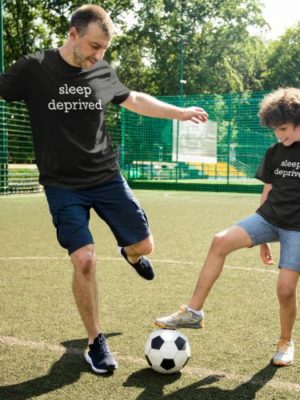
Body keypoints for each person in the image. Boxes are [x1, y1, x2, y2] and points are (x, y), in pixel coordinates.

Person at [0, 4, 208, 374]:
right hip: (63, 185)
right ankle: (96, 342)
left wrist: (178, 112)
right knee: (84, 259)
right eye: (95, 46)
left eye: (104, 49)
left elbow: (135, 100)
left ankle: (130, 253)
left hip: (107, 177)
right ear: (73, 34)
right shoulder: (34, 68)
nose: (98, 55)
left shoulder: (101, 70)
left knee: (145, 246)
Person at [156, 87, 300, 367]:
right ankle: (194, 312)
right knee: (219, 241)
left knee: (285, 289)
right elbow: (268, 191)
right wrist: (262, 239)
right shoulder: (274, 152)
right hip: (269, 218)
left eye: (283, 128)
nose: (279, 135)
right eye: (274, 130)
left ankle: (286, 341)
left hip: (297, 229)